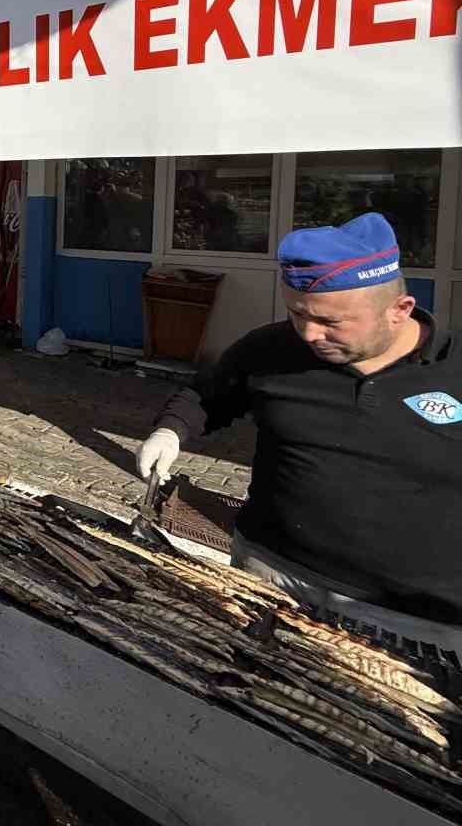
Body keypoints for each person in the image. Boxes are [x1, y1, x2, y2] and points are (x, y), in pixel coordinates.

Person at [136, 212, 462, 648]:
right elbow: (208, 394)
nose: (309, 333)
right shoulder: (269, 349)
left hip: (411, 613)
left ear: (399, 311)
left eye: (332, 323)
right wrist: (171, 431)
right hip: (268, 571)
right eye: (297, 314)